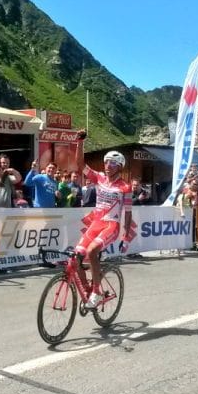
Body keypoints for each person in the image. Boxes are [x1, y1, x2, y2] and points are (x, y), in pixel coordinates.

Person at [73, 132, 133, 309]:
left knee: (91, 252)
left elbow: (127, 213)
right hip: (95, 224)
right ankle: (88, 291)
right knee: (76, 258)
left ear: (120, 166)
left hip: (111, 226)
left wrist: (125, 236)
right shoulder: (98, 177)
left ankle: (97, 293)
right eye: (106, 162)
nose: (108, 165)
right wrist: (80, 142)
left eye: (113, 163)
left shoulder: (125, 187)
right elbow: (80, 165)